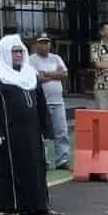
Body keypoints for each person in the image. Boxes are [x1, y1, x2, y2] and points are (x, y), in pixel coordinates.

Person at [0, 34, 52, 215]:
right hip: (10, 130)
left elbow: (41, 101)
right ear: (6, 52)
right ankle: (10, 206)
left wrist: (46, 127)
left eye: (20, 51)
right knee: (11, 167)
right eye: (14, 52)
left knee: (36, 166)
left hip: (32, 130)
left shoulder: (30, 73)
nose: (18, 55)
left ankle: (38, 204)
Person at [28, 32, 69, 169]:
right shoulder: (31, 60)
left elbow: (64, 74)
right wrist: (55, 75)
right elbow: (37, 78)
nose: (45, 45)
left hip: (58, 101)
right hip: (41, 102)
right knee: (40, 133)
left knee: (61, 131)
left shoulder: (56, 58)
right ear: (36, 44)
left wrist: (47, 74)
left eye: (47, 42)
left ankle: (62, 160)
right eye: (42, 42)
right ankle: (43, 160)